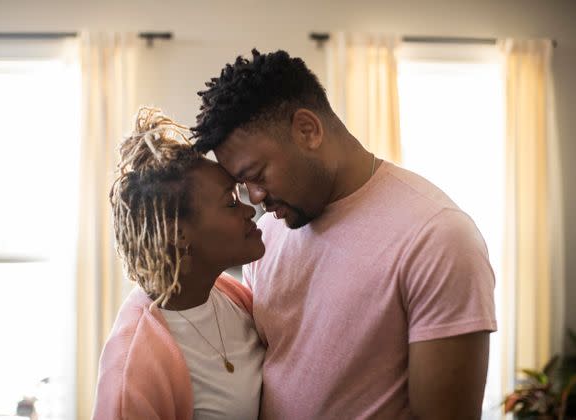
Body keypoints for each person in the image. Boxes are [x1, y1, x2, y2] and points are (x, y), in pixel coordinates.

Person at [191, 49, 497, 419]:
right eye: (242, 184)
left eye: (257, 174)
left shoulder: (438, 236)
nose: (254, 198)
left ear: (308, 130)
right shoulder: (269, 232)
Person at [92, 107, 266, 419]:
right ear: (178, 234)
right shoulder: (133, 369)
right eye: (230, 202)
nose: (249, 211)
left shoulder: (231, 297)